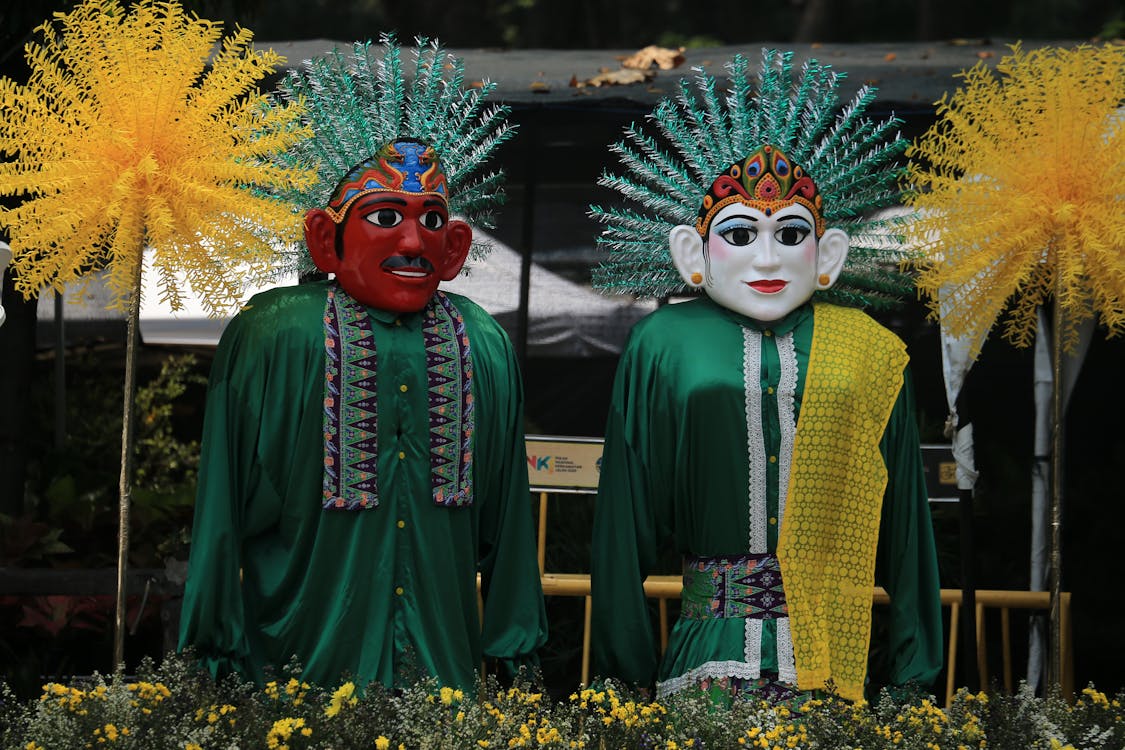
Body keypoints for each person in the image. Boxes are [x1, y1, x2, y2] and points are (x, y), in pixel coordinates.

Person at [178, 41, 546, 692]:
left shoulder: (479, 341)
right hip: (301, 661)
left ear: (456, 246)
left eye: (431, 220)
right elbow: (222, 509)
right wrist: (214, 645)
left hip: (442, 672)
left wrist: (513, 648)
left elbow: (509, 522)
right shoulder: (276, 334)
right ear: (326, 237)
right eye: (384, 217)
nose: (412, 241)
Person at [589, 51, 942, 704]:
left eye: (789, 235)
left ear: (827, 254)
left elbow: (906, 536)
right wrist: (620, 678)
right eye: (740, 233)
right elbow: (624, 520)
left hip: (830, 662)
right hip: (707, 659)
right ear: (692, 254)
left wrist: (912, 678)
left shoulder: (869, 350)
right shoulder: (663, 343)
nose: (765, 257)